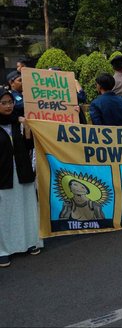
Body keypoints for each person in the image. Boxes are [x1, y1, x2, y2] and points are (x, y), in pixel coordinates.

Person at [0, 88, 42, 268]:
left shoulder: (18, 121)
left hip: (23, 172)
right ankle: (4, 250)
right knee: (6, 213)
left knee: (28, 208)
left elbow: (28, 145)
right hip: (3, 175)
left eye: (10, 102)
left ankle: (31, 241)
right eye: (4, 103)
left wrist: (27, 129)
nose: (9, 106)